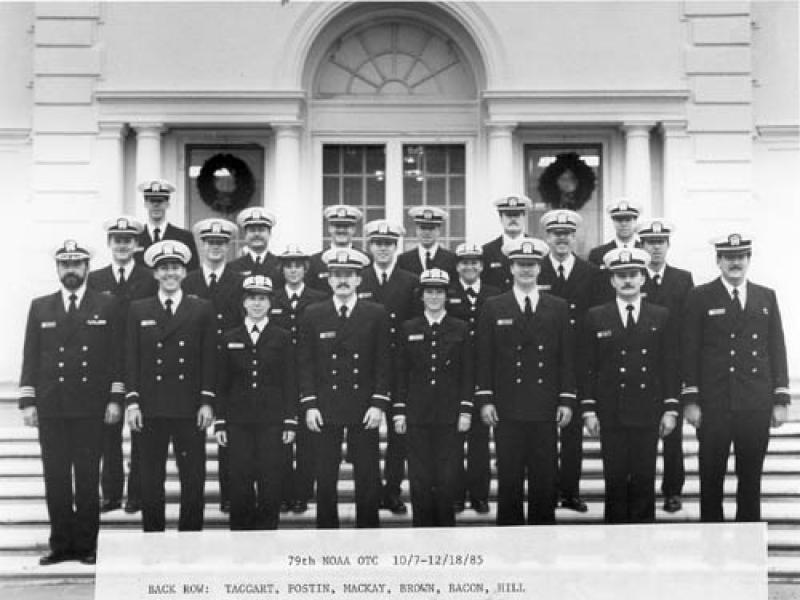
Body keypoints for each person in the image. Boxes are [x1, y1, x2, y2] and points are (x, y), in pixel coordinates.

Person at [20, 240, 123, 565]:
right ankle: (61, 544)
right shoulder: (40, 307)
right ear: (58, 269)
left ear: (87, 268)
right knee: (57, 478)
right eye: (65, 265)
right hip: (52, 407)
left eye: (77, 264)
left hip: (90, 407)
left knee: (88, 478)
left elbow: (116, 357)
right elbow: (31, 357)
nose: (71, 270)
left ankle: (87, 544)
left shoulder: (106, 305)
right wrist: (28, 401)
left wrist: (115, 398)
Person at [682, 233, 790, 522]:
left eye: (741, 256)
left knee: (751, 478)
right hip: (714, 403)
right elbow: (689, 349)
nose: (735, 262)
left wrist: (780, 399)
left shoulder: (765, 296)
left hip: (754, 402)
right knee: (711, 476)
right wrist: (690, 400)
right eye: (729, 257)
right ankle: (711, 548)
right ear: (718, 261)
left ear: (749, 260)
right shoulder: (700, 296)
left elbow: (776, 348)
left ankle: (749, 547)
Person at [476, 237, 576, 525]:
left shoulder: (558, 306)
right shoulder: (494, 306)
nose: (526, 270)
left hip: (545, 405)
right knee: (509, 475)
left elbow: (566, 357)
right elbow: (485, 357)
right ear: (511, 267)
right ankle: (510, 546)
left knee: (544, 476)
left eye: (531, 265)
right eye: (521, 264)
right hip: (507, 406)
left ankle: (543, 545)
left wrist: (567, 399)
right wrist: (485, 399)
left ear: (540, 267)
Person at [581, 247, 680, 523]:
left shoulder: (661, 316)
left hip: (647, 411)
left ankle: (643, 548)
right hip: (610, 412)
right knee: (614, 480)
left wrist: (671, 408)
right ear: (612, 280)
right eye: (621, 275)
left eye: (633, 274)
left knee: (643, 479)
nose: (627, 280)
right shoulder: (596, 316)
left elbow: (669, 366)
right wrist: (588, 410)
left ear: (643, 278)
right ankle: (615, 550)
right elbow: (588, 368)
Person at [125, 240, 216, 532]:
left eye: (175, 268)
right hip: (150, 408)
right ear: (154, 273)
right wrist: (133, 401)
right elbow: (131, 358)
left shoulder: (201, 308)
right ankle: (154, 539)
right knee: (151, 479)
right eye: (164, 268)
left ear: (184, 273)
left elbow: (208, 358)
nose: (170, 274)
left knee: (193, 478)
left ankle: (190, 539)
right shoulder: (139, 309)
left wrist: (206, 401)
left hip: (189, 407)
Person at [297, 248, 391, 528]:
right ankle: (327, 535)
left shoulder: (376, 313)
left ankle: (368, 533)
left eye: (349, 275)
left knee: (368, 474)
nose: (343, 280)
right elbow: (305, 362)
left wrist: (378, 404)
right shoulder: (313, 313)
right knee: (325, 475)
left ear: (359, 280)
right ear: (328, 279)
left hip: (364, 407)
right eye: (337, 274)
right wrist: (310, 404)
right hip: (326, 406)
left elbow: (383, 361)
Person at [215, 275, 297, 530]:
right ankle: (241, 535)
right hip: (238, 420)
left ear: (271, 303)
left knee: (270, 477)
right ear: (243, 302)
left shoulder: (282, 337)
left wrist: (290, 420)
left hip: (272, 420)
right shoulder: (229, 336)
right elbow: (221, 382)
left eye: (262, 298)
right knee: (239, 477)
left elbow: (290, 381)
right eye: (252, 298)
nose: (257, 304)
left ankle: (267, 534)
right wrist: (220, 421)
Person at [88, 216, 157, 515]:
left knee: (141, 432)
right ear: (109, 244)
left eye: (128, 240)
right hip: (105, 364)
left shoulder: (149, 277)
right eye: (117, 240)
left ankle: (137, 493)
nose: (122, 245)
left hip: (143, 360)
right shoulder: (96, 278)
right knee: (108, 432)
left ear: (137, 244)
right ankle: (111, 492)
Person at [394, 268, 473, 527]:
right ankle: (423, 531)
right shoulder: (408, 328)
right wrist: (399, 411)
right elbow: (401, 373)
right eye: (430, 292)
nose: (435, 297)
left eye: (439, 292)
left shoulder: (461, 328)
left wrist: (465, 410)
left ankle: (445, 531)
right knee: (419, 476)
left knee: (447, 475)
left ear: (447, 296)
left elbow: (467, 373)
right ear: (422, 295)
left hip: (450, 415)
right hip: (417, 413)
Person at [537, 209, 602, 513]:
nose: (561, 239)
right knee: (545, 434)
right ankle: (546, 489)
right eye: (555, 234)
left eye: (567, 234)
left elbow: (597, 317)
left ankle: (570, 491)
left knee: (573, 431)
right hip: (542, 363)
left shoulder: (591, 272)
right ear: (546, 237)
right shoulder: (535, 269)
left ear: (575, 237)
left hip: (577, 360)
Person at [358, 219, 419, 516]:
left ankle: (392, 490)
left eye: (389, 244)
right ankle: (369, 491)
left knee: (399, 434)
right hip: (363, 368)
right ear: (369, 246)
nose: (383, 249)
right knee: (365, 434)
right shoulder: (359, 278)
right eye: (378, 243)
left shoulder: (410, 280)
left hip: (400, 366)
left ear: (397, 247)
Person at [183, 217, 243, 513]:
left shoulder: (239, 280)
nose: (215, 248)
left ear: (228, 247)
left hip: (231, 364)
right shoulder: (188, 280)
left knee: (228, 430)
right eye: (210, 243)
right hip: (195, 366)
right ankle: (194, 497)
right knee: (193, 435)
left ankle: (229, 493)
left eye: (221, 243)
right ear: (202, 245)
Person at [637, 219, 694, 513]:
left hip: (672, 365)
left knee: (672, 434)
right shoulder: (632, 275)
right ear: (641, 246)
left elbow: (690, 326)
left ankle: (672, 489)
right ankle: (640, 490)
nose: (655, 247)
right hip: (639, 368)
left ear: (668, 245)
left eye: (660, 242)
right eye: (649, 242)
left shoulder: (683, 279)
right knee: (641, 433)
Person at [269, 244, 327, 514]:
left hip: (310, 374)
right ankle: (281, 491)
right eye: (288, 265)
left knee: (308, 441)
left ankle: (303, 492)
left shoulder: (319, 297)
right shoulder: (272, 297)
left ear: (306, 268)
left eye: (298, 265)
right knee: (280, 439)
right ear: (281, 269)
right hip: (278, 376)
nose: (293, 270)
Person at [446, 243, 501, 514]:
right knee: (455, 438)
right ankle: (456, 493)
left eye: (475, 262)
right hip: (453, 375)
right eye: (464, 262)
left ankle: (480, 495)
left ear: (482, 266)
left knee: (480, 439)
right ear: (457, 266)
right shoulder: (449, 293)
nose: (470, 267)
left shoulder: (494, 294)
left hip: (485, 371)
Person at [134, 179, 199, 272]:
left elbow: (193, 271)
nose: (156, 205)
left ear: (168, 204)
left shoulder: (184, 237)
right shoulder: (136, 237)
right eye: (152, 201)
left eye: (160, 201)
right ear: (145, 204)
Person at [306, 204, 365, 294]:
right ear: (329, 228)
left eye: (346, 226)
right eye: (337, 226)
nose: (341, 230)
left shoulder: (365, 260)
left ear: (353, 229)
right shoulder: (314, 261)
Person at [482, 194, 533, 291]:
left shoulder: (536, 248)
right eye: (509, 215)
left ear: (524, 217)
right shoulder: (487, 251)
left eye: (517, 215)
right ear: (501, 218)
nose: (513, 219)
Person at [397, 206, 458, 280]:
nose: (427, 233)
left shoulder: (451, 259)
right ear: (416, 230)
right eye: (423, 228)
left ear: (439, 231)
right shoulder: (403, 260)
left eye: (431, 228)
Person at [228, 207, 282, 283]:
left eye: (261, 230)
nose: (256, 234)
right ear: (245, 235)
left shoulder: (281, 265)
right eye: (252, 230)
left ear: (270, 234)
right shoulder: (233, 268)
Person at [586, 198, 641, 267]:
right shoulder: (598, 254)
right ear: (613, 222)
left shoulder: (645, 251)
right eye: (619, 219)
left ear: (635, 221)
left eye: (628, 220)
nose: (623, 224)